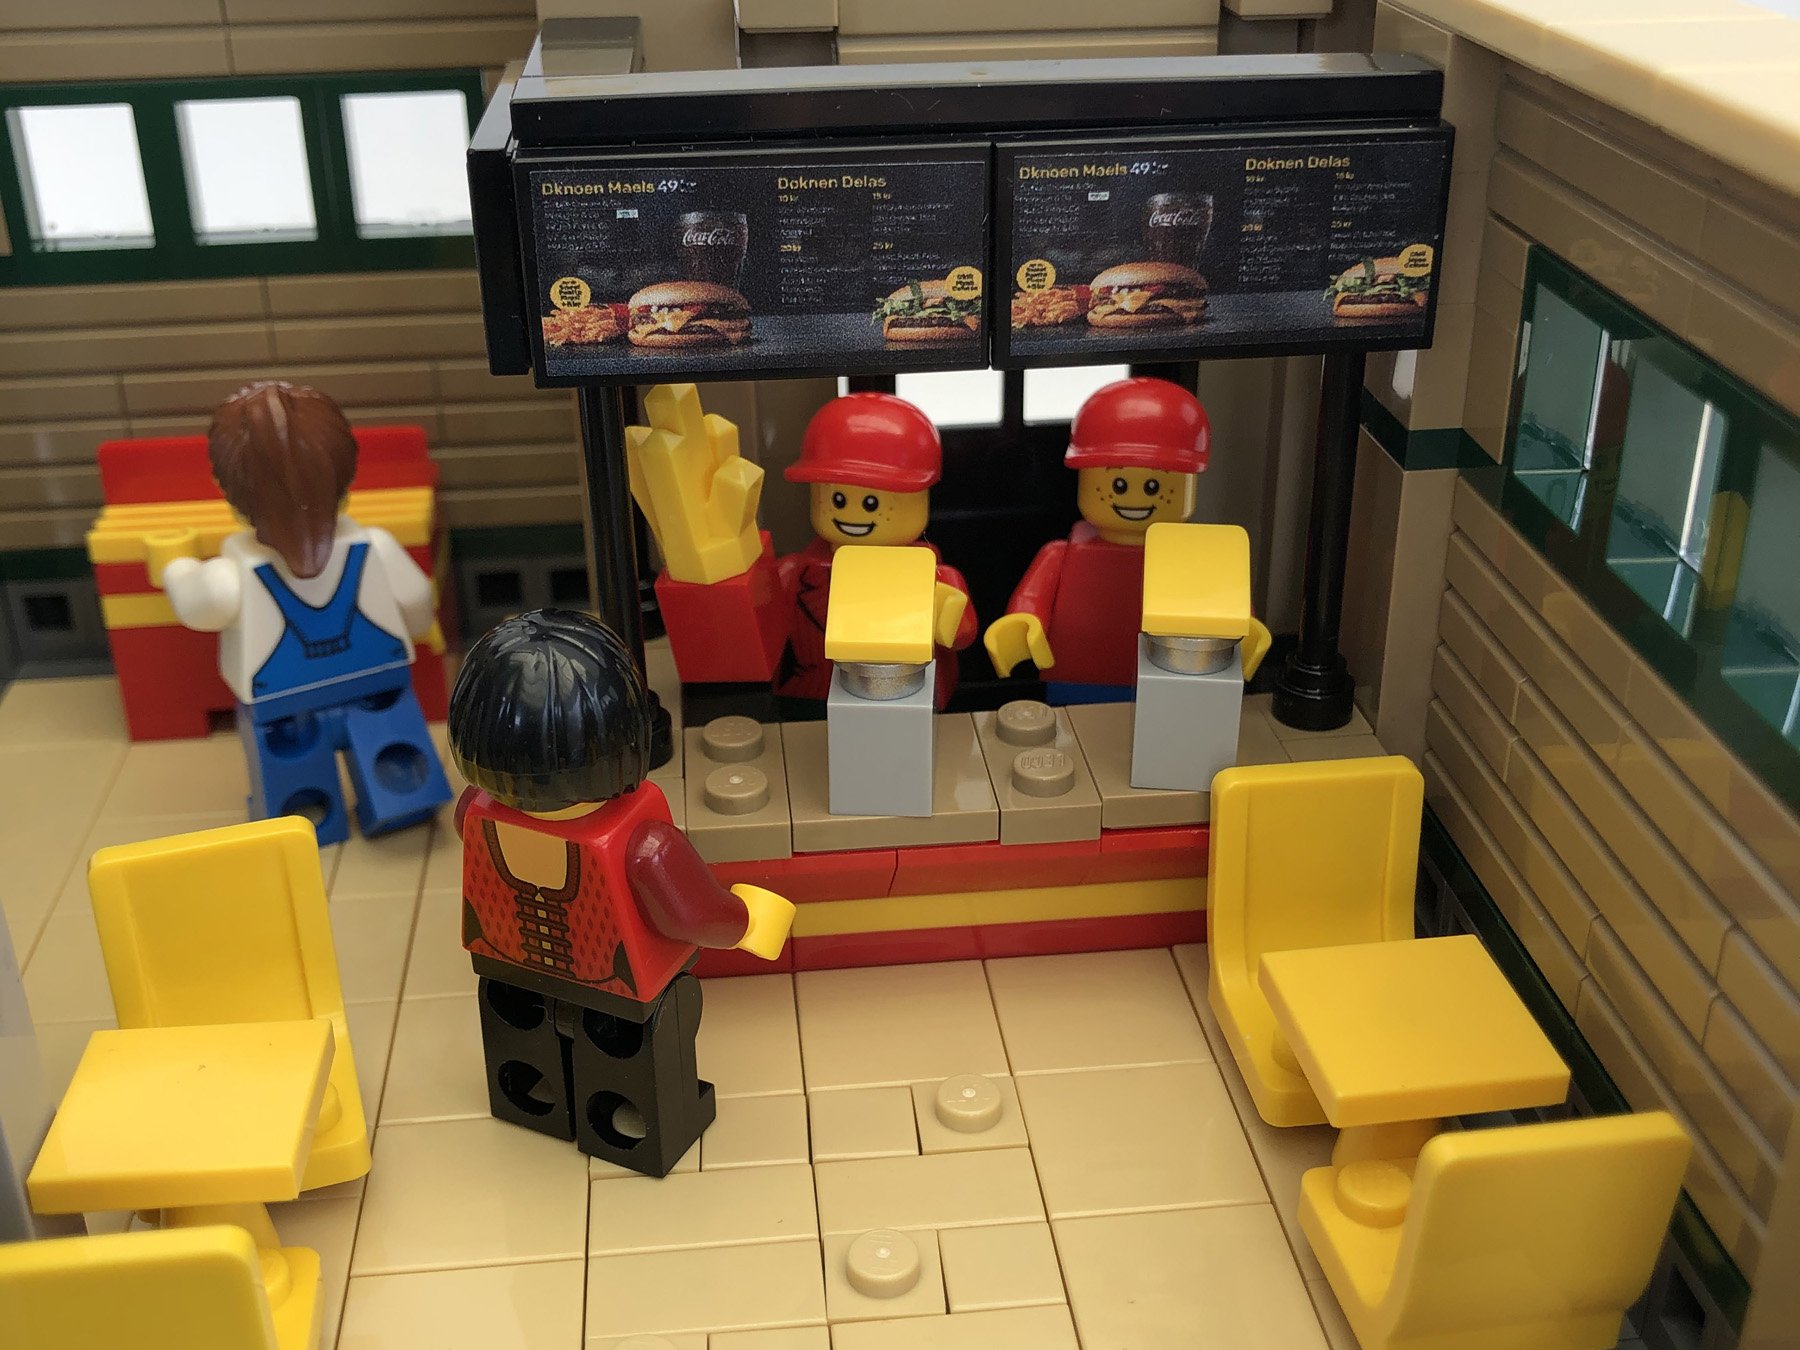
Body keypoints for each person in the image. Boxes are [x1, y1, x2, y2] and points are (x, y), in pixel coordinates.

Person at [448, 609, 795, 1176]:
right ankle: (620, 1132)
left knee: (524, 1043)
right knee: (632, 1056)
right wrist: (747, 920)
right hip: (620, 991)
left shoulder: (472, 814)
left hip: (509, 970)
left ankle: (533, 1103)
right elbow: (695, 915)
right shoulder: (644, 845)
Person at [160, 381, 449, 845]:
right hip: (378, 682)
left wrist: (175, 568)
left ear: (231, 493)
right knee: (394, 754)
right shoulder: (374, 547)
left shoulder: (230, 575)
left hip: (282, 703)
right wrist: (414, 630)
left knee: (296, 784)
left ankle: (311, 823)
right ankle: (402, 800)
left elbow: (196, 605)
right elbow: (416, 605)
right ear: (345, 474)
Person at [985, 377, 1211, 703]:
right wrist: (1024, 623)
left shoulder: (1197, 557)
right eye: (1119, 485)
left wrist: (1243, 631)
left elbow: (1224, 600)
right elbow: (1032, 599)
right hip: (1077, 677)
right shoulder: (1061, 554)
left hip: (1171, 676)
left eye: (1152, 486)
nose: (1135, 498)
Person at [775, 392, 977, 707]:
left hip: (909, 695)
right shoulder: (799, 570)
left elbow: (963, 634)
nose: (853, 514)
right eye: (838, 499)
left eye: (871, 503)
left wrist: (945, 617)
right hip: (813, 697)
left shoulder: (935, 578)